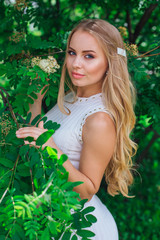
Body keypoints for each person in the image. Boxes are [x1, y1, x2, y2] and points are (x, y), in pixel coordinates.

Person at [16, 19, 137, 239]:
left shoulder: (99, 118)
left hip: (80, 228)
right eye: (72, 52)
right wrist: (34, 105)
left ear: (110, 62)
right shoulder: (71, 98)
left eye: (89, 56)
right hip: (50, 218)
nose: (75, 64)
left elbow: (86, 192)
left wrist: (51, 150)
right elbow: (38, 143)